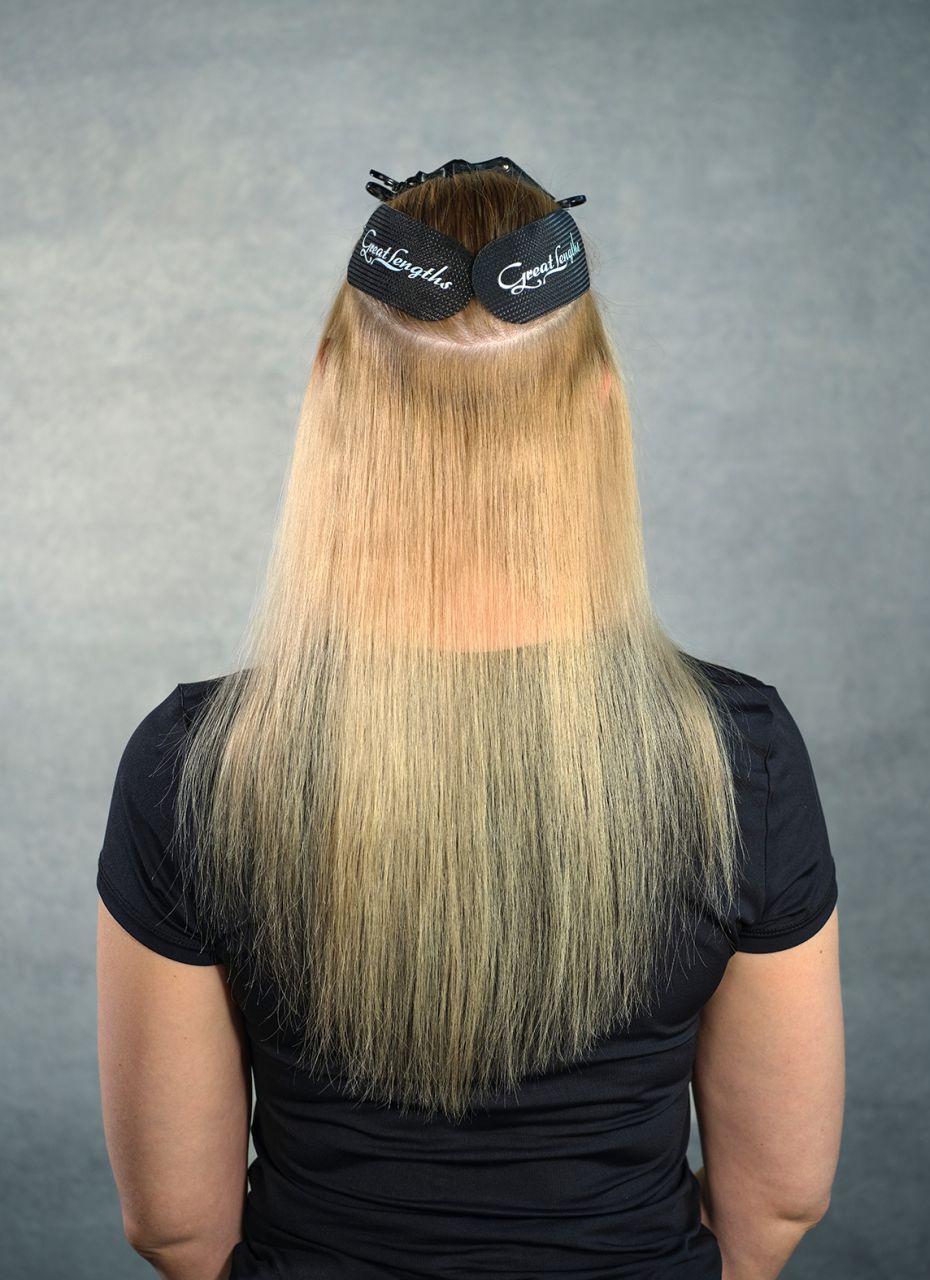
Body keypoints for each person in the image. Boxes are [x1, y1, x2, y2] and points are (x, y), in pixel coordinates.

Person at [96, 157, 844, 1280]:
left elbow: (175, 1224)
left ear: (328, 396)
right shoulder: (739, 756)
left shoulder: (196, 766)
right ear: (602, 405)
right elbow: (780, 1197)